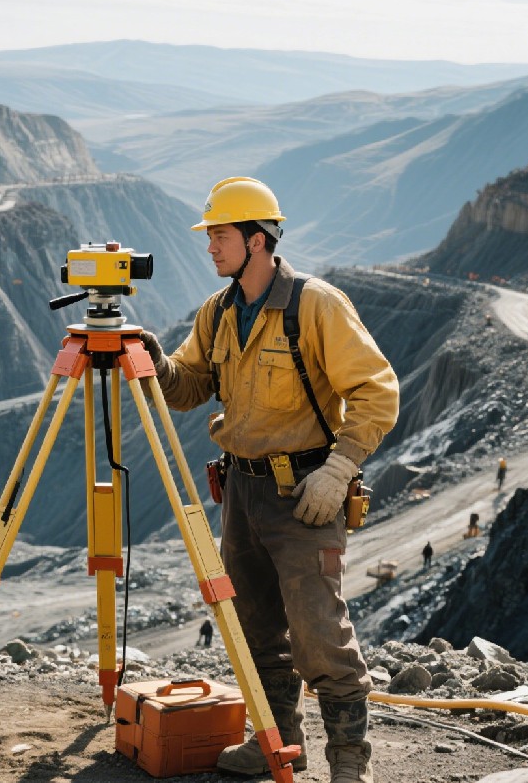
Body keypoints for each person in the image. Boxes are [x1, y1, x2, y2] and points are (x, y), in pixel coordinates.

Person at [138, 176, 398, 783]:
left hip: (304, 493)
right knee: (255, 629)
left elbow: (376, 392)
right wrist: (157, 362)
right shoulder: (219, 312)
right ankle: (277, 744)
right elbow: (191, 387)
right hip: (242, 493)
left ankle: (348, 765)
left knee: (318, 635)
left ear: (257, 240)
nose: (209, 246)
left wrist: (339, 471)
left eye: (220, 235)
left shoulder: (317, 306)